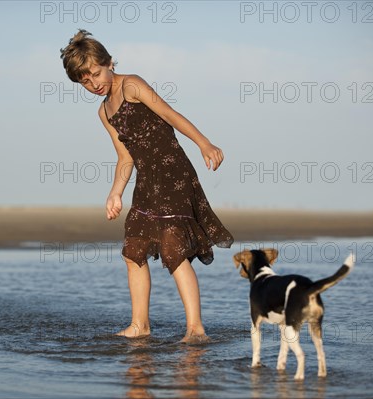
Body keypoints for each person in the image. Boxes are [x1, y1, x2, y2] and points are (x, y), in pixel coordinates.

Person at [60, 30, 234, 342]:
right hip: (147, 181)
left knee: (172, 247)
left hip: (172, 173)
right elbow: (124, 156)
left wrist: (204, 143)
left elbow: (171, 115)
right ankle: (140, 325)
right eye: (85, 81)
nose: (94, 83)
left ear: (109, 62)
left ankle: (195, 329)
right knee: (133, 250)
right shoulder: (104, 112)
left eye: (96, 74)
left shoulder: (132, 85)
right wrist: (116, 192)